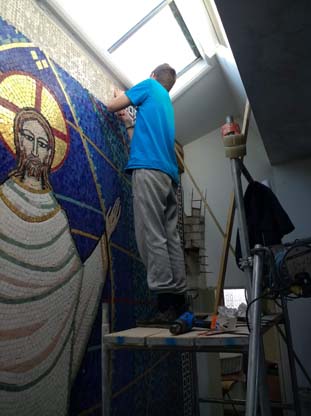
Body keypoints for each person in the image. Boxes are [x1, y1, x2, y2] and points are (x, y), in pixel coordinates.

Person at [0, 108, 120, 415]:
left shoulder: (56, 217)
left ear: (50, 154)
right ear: (18, 141)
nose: (35, 150)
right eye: (28, 138)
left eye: (43, 144)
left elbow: (74, 287)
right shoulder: (1, 200)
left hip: (46, 369)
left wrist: (103, 243)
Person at [107, 63, 188, 324]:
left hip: (149, 172)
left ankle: (164, 305)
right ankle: (178, 300)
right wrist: (130, 123)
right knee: (169, 237)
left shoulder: (149, 85)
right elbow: (140, 142)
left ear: (153, 76)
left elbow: (111, 105)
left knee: (151, 235)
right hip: (168, 177)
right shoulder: (166, 106)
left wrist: (120, 95)